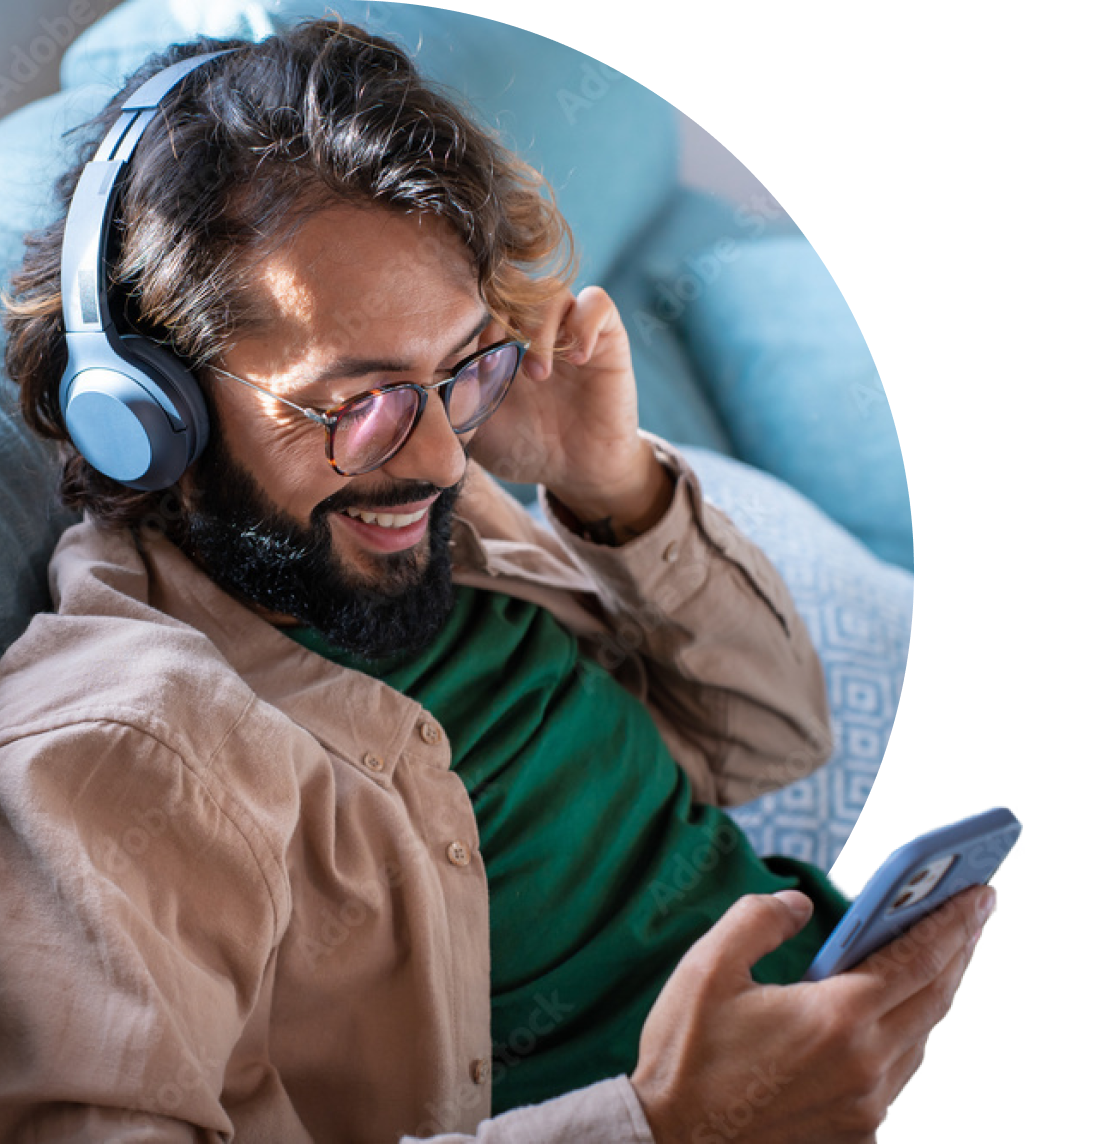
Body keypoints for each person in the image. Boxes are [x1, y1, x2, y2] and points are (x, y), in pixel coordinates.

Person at [0, 18, 995, 1143]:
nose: (433, 459)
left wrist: (608, 486)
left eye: (458, 369)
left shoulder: (446, 521)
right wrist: (661, 1125)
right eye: (355, 402)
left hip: (863, 1012)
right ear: (145, 414)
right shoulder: (122, 757)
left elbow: (773, 740)